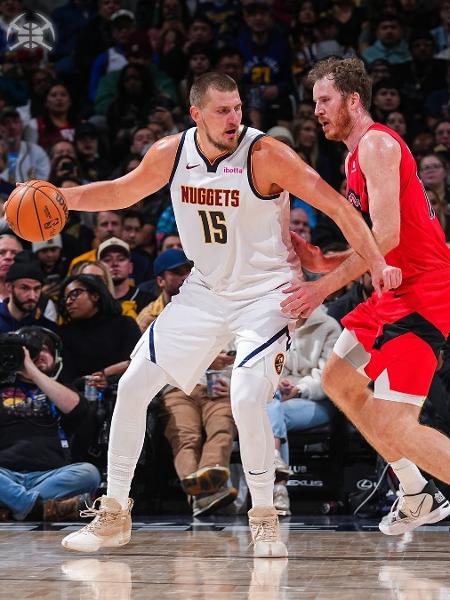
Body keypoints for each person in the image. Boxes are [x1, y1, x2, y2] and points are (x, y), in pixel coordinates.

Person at [37, 72, 399, 557]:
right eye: (223, 110)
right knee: (133, 384)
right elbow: (122, 192)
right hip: (204, 293)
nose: (235, 118)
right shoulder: (172, 152)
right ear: (196, 114)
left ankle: (265, 516)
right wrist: (63, 197)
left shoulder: (266, 153)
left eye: (238, 108)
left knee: (248, 397)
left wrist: (374, 261)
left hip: (266, 294)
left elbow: (336, 206)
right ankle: (114, 513)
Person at [282, 57, 450, 536]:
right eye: (314, 102)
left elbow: (389, 238)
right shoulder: (353, 155)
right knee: (338, 380)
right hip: (389, 293)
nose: (316, 110)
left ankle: (422, 489)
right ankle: (417, 492)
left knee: (397, 424)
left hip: (422, 294)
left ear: (353, 100)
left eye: (325, 100)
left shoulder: (376, 144)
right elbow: (373, 245)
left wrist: (320, 289)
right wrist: (324, 263)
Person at [0, 326, 101, 521]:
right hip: (5, 473)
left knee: (89, 473)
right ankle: (37, 508)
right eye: (31, 350)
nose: (39, 354)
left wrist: (32, 371)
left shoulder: (62, 389)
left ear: (56, 357)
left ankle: (12, 504)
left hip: (50, 475)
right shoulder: (3, 387)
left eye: (44, 349)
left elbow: (77, 409)